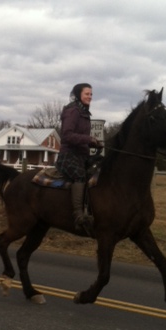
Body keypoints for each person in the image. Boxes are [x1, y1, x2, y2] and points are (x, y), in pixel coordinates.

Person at [56, 83, 101, 234]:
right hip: (68, 155)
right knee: (80, 175)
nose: (90, 97)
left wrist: (94, 143)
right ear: (78, 95)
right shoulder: (73, 111)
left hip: (82, 155)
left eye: (91, 94)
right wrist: (88, 139)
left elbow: (82, 138)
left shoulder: (85, 113)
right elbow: (67, 136)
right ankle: (78, 217)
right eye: (87, 94)